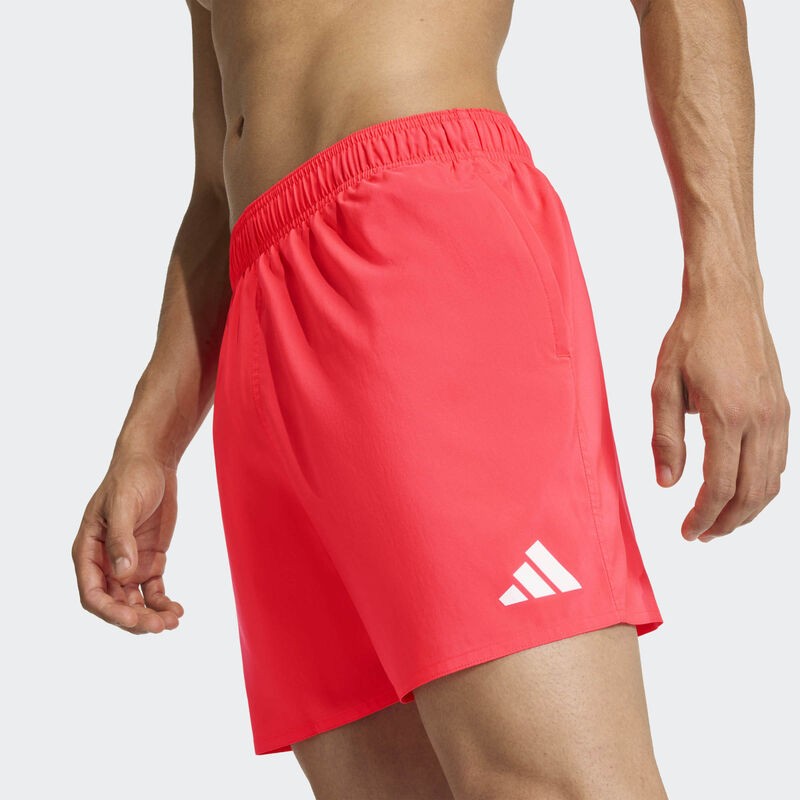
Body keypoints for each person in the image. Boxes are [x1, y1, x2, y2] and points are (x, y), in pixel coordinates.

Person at [71, 1, 789, 798]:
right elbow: (216, 190)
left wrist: (728, 287)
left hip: (416, 236)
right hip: (260, 312)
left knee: (551, 783)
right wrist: (150, 438)